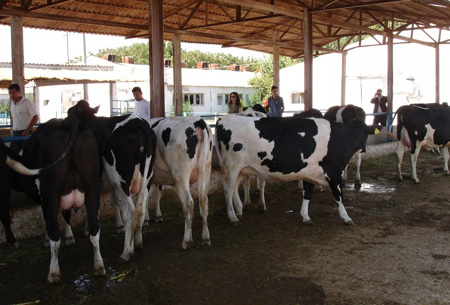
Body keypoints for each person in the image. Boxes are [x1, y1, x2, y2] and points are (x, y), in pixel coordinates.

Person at [8, 83, 39, 154]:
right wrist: (13, 129)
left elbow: (35, 117)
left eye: (13, 92)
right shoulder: (12, 103)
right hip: (15, 132)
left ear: (19, 92)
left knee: (28, 153)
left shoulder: (27, 102)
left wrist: (27, 130)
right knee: (12, 153)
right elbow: (13, 117)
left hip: (25, 132)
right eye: (10, 93)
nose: (11, 95)